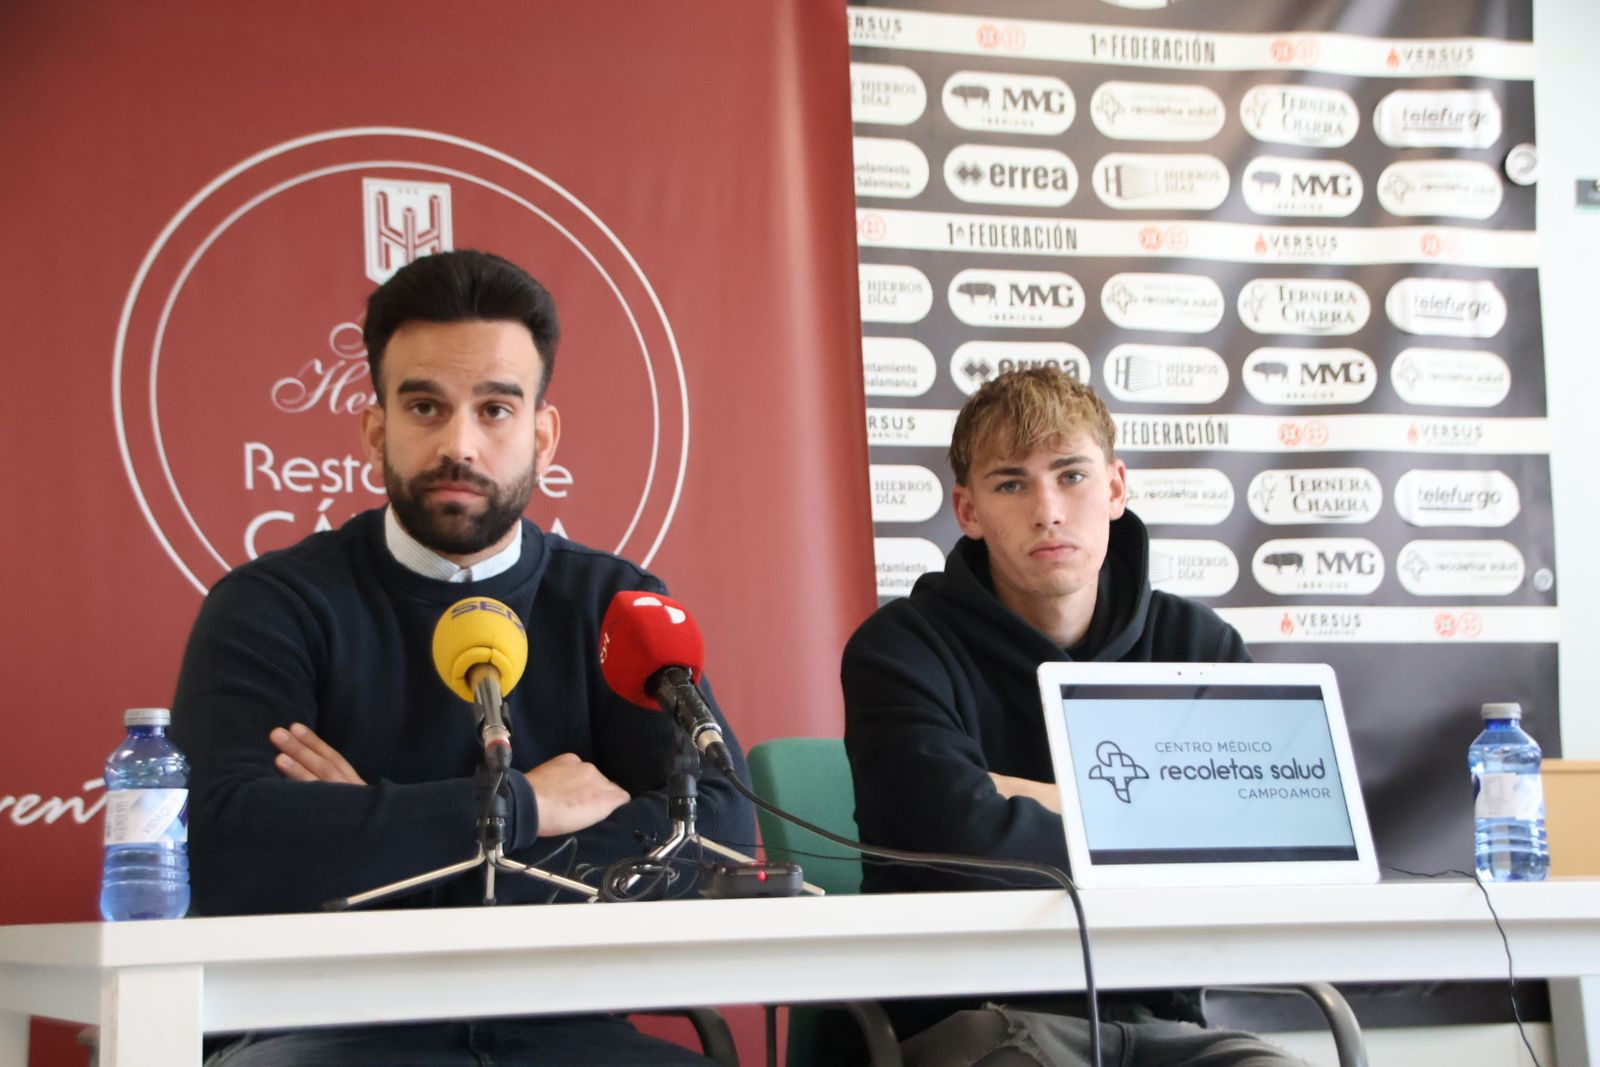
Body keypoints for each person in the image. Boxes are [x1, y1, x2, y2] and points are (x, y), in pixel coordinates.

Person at [170, 249, 754, 1066]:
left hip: (563, 1026)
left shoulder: (616, 606)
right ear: (376, 428)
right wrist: (524, 808)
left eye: (494, 409)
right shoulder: (272, 605)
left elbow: (718, 829)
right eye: (424, 406)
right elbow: (226, 843)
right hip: (323, 1030)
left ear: (543, 434)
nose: (459, 443)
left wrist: (381, 829)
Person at [842, 368, 1302, 1067]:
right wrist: (1162, 812)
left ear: (1116, 487)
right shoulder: (899, 650)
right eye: (1010, 483)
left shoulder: (1198, 646)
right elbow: (962, 842)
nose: (1048, 509)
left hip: (1165, 1023)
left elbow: (1264, 841)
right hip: (979, 1020)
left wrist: (1023, 794)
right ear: (968, 510)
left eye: (1071, 475)